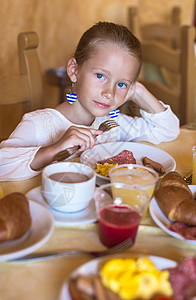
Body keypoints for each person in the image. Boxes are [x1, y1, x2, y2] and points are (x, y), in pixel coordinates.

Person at [0, 21, 179, 181]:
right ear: (74, 70)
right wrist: (54, 149)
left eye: (121, 84)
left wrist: (138, 91)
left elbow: (168, 130)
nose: (109, 92)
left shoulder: (113, 124)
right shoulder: (39, 124)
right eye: (100, 75)